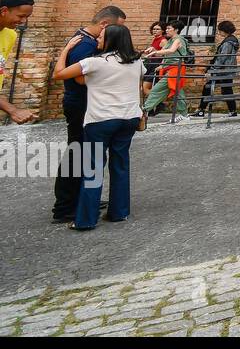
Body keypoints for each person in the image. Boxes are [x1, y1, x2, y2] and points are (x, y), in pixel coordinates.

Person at [50, 24, 145, 231]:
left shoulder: (95, 62)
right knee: (120, 165)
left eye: (101, 37)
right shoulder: (137, 62)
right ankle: (119, 212)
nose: (97, 40)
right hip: (129, 118)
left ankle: (85, 219)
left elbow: (59, 74)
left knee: (93, 169)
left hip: (101, 120)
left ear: (110, 40)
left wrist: (66, 49)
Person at [141, 22, 192, 120]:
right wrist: (154, 51)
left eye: (169, 28)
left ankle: (144, 110)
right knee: (177, 91)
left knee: (157, 89)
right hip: (171, 68)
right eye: (167, 28)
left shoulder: (178, 39)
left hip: (175, 69)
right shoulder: (170, 40)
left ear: (176, 30)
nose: (167, 30)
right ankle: (184, 115)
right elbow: (163, 53)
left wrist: (155, 52)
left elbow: (171, 51)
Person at [0, 0, 37, 124]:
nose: (23, 21)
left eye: (27, 17)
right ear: (4, 11)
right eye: (21, 16)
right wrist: (13, 110)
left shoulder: (11, 35)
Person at [198, 20, 240, 119]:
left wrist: (212, 70)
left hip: (222, 70)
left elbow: (222, 58)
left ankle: (201, 111)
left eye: (220, 30)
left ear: (224, 30)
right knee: (226, 90)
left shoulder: (228, 42)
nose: (219, 32)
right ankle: (232, 111)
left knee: (208, 87)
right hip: (227, 70)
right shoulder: (231, 40)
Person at [141, 22, 165, 99]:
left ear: (163, 31)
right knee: (142, 87)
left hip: (156, 65)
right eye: (154, 29)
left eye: (157, 29)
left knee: (145, 88)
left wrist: (154, 50)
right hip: (150, 64)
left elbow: (164, 55)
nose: (155, 31)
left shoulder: (163, 40)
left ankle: (158, 102)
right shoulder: (155, 39)